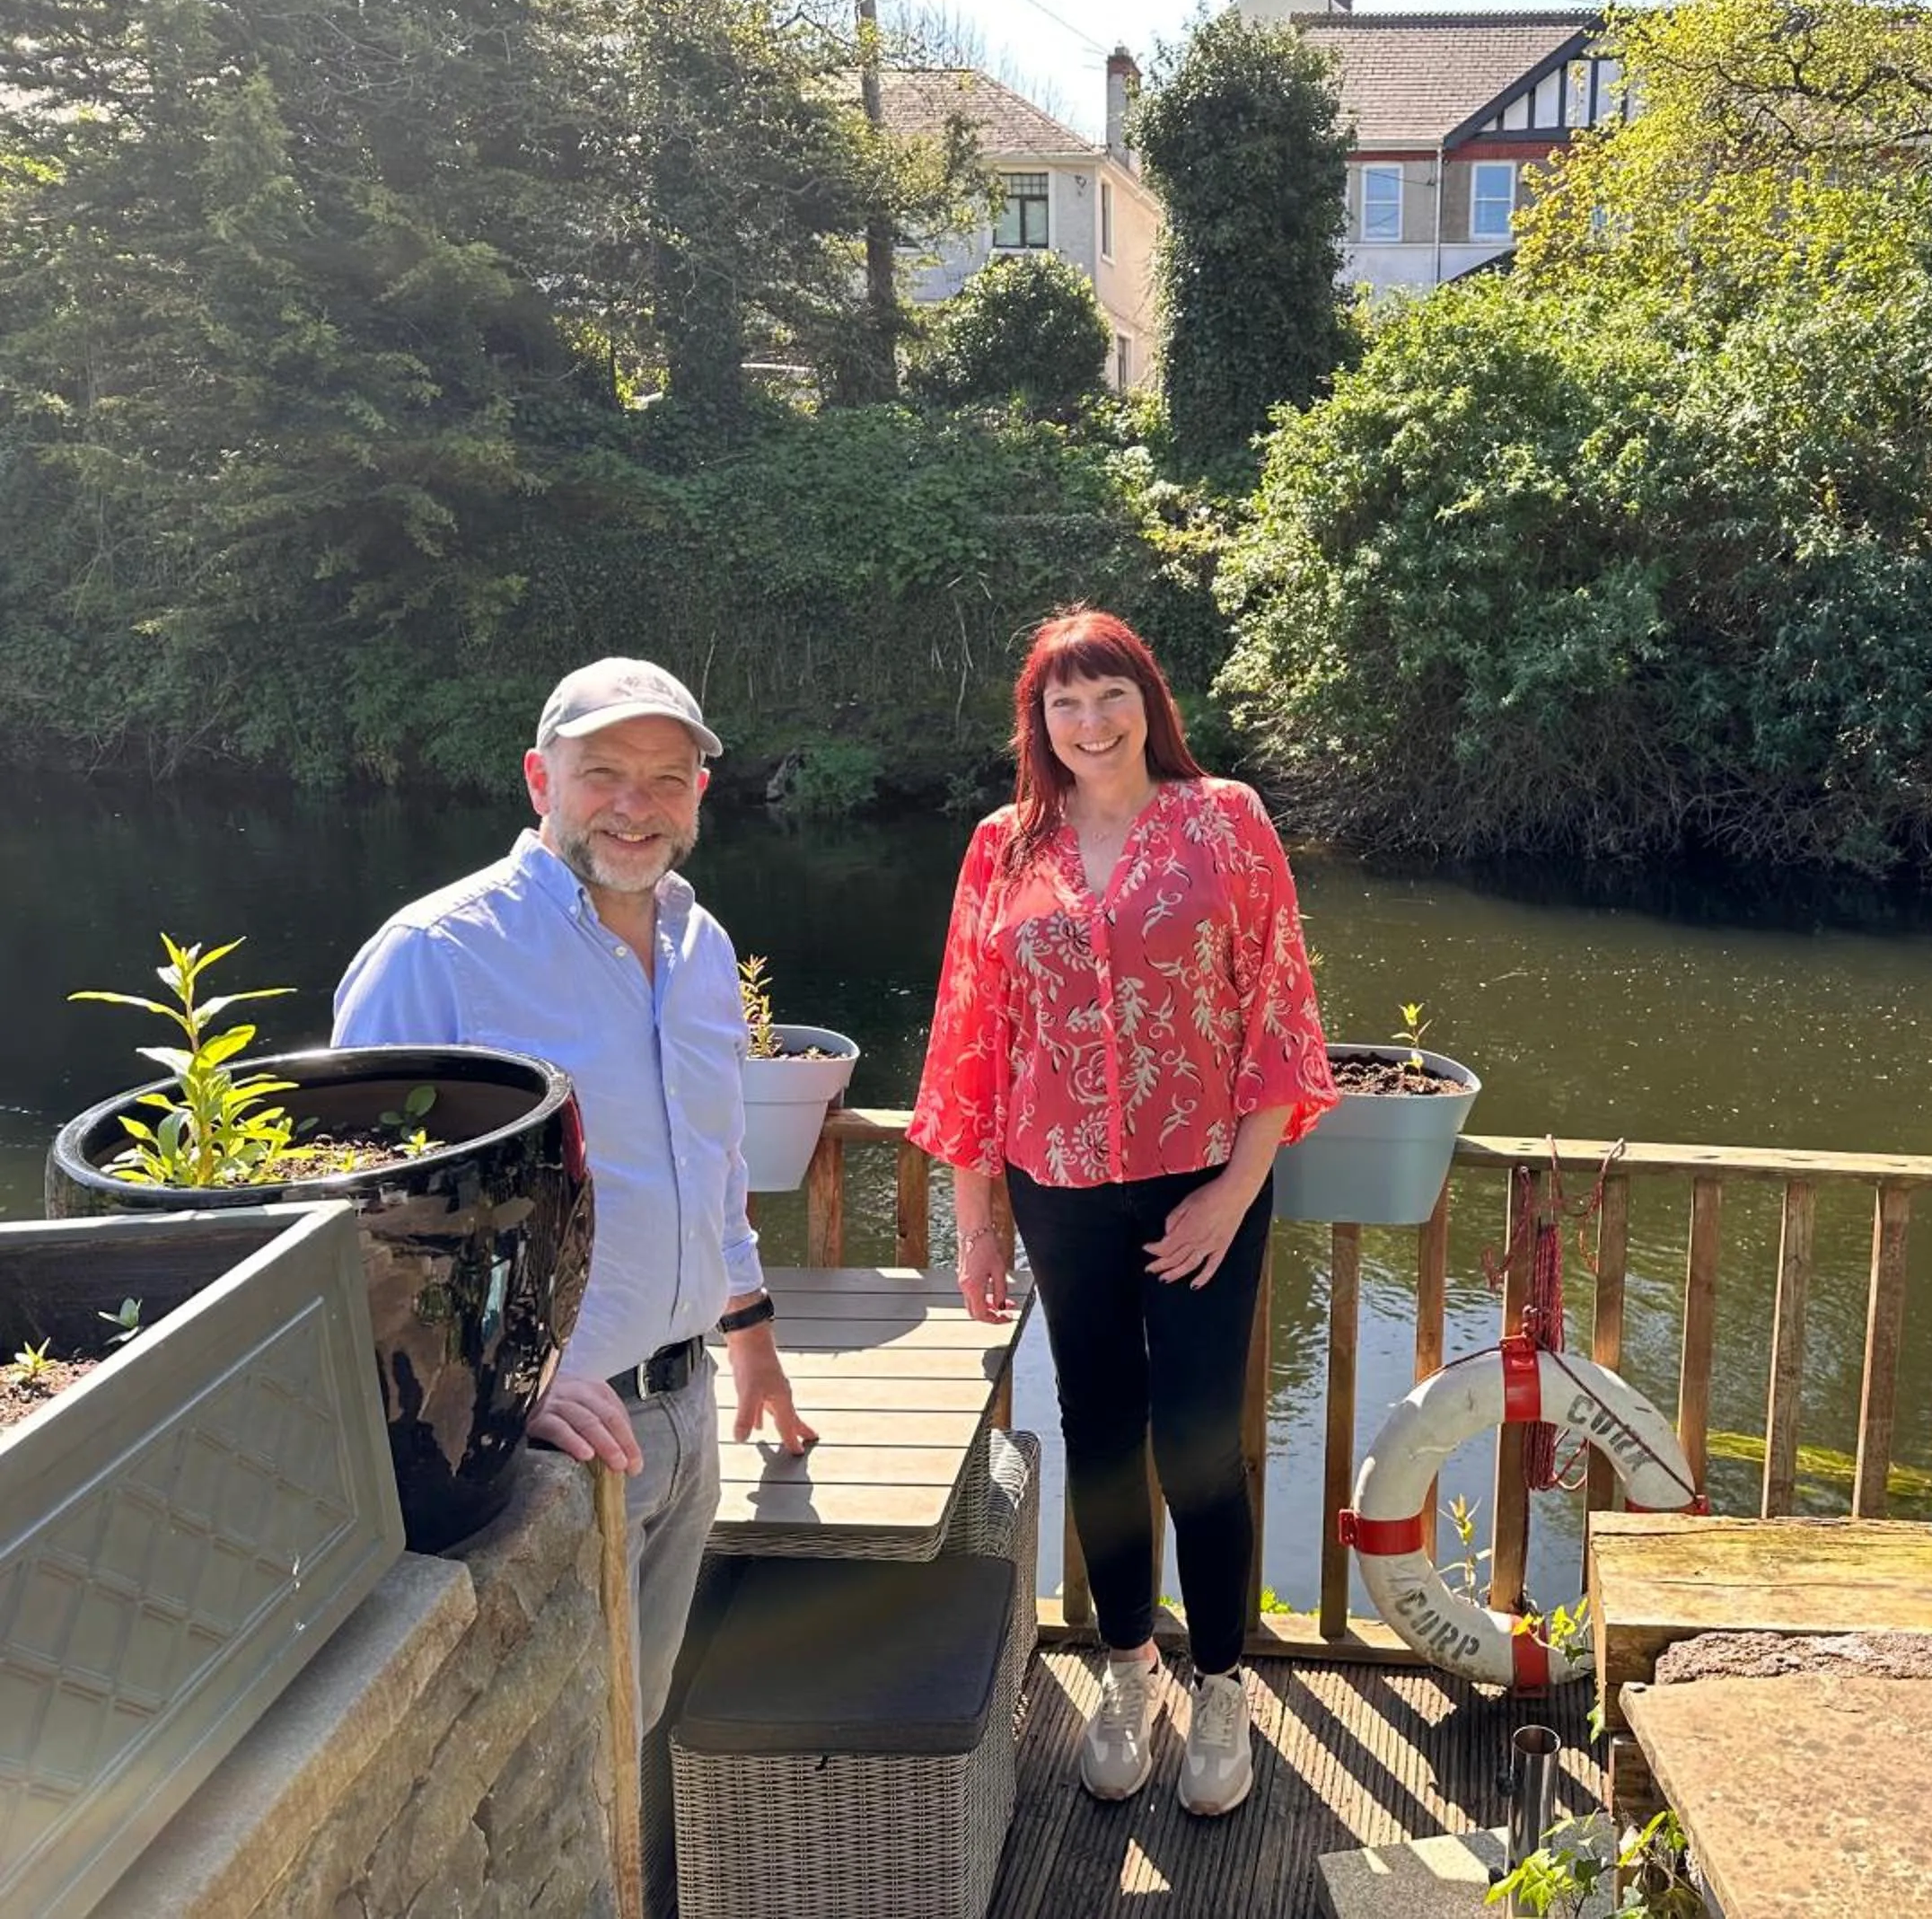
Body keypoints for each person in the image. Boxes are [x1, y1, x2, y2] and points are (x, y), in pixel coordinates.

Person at [332, 656, 817, 1756]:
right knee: (545, 1760)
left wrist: (751, 1340)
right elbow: (350, 1228)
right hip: (546, 1447)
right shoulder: (439, 955)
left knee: (634, 1730)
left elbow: (713, 1164)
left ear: (700, 790)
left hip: (689, 1415)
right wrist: (500, 1387)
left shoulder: (702, 946)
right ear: (538, 779)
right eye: (603, 772)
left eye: (667, 776)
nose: (636, 806)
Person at [911, 607, 1335, 1818]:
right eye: (1064, 702)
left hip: (1207, 1180)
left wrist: (1233, 1192)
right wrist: (977, 1219)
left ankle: (1221, 1684)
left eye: (1109, 695)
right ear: (1037, 721)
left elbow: (1281, 1018)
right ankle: (1125, 1669)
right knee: (1100, 1430)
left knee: (1199, 1437)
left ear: (1148, 700)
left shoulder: (1225, 822)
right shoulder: (1004, 847)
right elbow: (970, 1039)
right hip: (1060, 1188)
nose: (1089, 722)